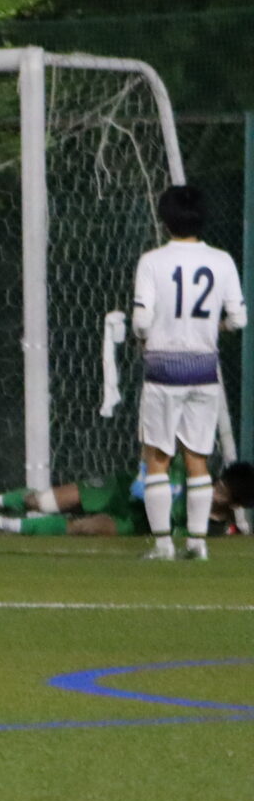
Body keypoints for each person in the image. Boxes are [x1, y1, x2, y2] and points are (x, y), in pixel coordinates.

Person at [129, 185, 246, 560]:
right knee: (198, 459)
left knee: (158, 458)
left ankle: (163, 544)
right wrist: (213, 328)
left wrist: (143, 337)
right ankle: (198, 543)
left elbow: (141, 320)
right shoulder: (222, 260)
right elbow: (238, 319)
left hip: (163, 370)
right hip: (204, 370)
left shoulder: (152, 261)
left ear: (165, 220)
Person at [0, 457, 248, 537]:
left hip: (137, 521)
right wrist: (145, 472)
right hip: (120, 490)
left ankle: (1, 524)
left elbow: (177, 536)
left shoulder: (212, 528)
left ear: (234, 504)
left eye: (222, 492)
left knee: (83, 528)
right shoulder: (194, 468)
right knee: (41, 502)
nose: (214, 489)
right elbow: (159, 452)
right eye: (219, 483)